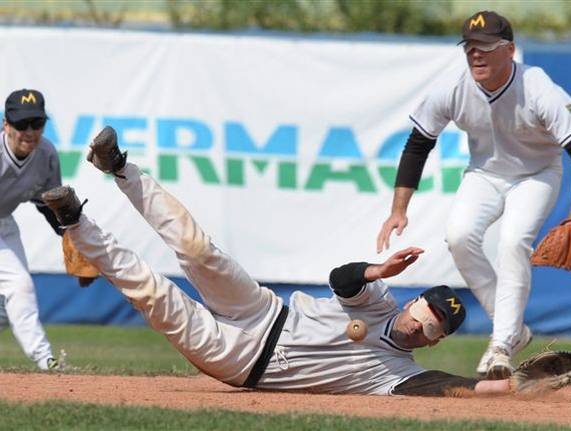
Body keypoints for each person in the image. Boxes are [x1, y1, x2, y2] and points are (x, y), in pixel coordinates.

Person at [42, 126, 536, 396]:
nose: (420, 327)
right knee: (198, 250)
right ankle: (120, 167)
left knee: (153, 293)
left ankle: (74, 222)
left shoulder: (397, 373)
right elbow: (340, 280)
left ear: (435, 343)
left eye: (433, 330)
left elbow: (446, 389)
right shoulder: (380, 302)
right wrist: (376, 270)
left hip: (242, 361)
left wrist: (508, 386)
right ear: (414, 303)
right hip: (264, 310)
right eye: (425, 315)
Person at [376, 11, 571, 379]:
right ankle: (513, 331)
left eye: (486, 46)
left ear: (509, 50)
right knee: (459, 237)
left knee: (513, 242)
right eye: (470, 47)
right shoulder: (453, 89)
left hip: (537, 174)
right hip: (485, 174)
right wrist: (398, 209)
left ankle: (500, 345)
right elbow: (418, 144)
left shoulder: (538, 88)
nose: (476, 54)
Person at [0, 89, 64, 370]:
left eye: (36, 123)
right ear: (6, 124)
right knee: (17, 287)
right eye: (21, 124)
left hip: (3, 221)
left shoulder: (46, 155)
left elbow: (48, 203)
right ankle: (45, 359)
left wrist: (68, 236)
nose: (29, 131)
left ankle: (46, 361)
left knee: (16, 294)